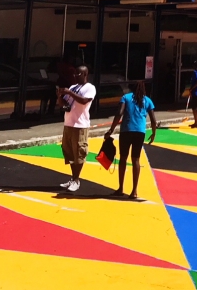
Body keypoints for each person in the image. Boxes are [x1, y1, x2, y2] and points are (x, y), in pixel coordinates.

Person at [104, 82, 157, 199]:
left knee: (123, 158)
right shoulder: (148, 100)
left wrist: (111, 129)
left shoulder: (126, 98)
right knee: (136, 159)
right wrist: (153, 133)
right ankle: (134, 191)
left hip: (126, 130)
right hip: (140, 132)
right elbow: (153, 120)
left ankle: (121, 187)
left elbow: (119, 113)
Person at [56, 65, 96, 193]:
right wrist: (60, 96)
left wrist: (69, 93)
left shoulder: (90, 88)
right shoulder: (73, 87)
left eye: (78, 74)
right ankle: (73, 178)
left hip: (80, 125)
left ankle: (77, 179)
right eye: (75, 74)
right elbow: (65, 105)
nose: (75, 76)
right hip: (68, 123)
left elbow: (84, 101)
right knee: (69, 153)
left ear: (85, 74)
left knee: (79, 153)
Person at [188, 61, 197, 128]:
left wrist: (191, 89)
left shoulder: (195, 72)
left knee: (195, 108)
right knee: (195, 107)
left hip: (195, 91)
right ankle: (196, 122)